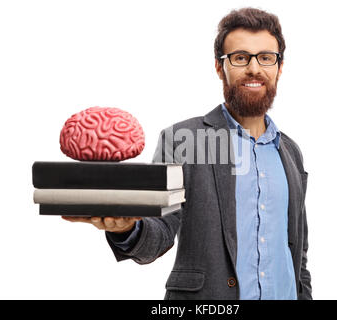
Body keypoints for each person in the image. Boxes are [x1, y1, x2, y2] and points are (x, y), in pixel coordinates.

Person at [63, 7, 312, 300]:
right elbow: (160, 230)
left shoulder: (290, 152)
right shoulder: (184, 140)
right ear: (220, 67)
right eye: (240, 57)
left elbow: (298, 254)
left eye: (266, 58)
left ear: (279, 67)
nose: (254, 69)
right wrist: (128, 228)